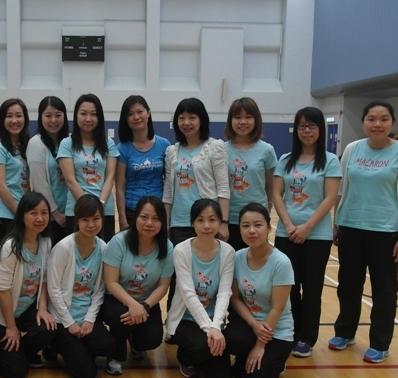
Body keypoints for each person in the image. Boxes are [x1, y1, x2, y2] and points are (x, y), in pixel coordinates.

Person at [330, 101, 398, 363]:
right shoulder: (352, 149)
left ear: (392, 123)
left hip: (386, 233)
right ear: (363, 122)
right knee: (348, 286)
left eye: (383, 119)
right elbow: (341, 190)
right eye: (371, 119)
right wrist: (336, 224)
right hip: (351, 228)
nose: (377, 124)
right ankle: (345, 333)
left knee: (384, 291)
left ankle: (380, 343)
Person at [271, 107, 340, 358]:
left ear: (320, 129)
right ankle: (288, 332)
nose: (307, 131)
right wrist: (289, 225)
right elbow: (276, 194)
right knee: (288, 287)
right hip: (286, 234)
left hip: (316, 237)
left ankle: (306, 337)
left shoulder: (330, 161)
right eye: (302, 126)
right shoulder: (285, 159)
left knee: (311, 289)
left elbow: (330, 197)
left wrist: (307, 226)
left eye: (312, 126)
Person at [163, 98, 229, 306]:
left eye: (192, 117)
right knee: (178, 278)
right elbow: (168, 191)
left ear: (202, 120)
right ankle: (174, 321)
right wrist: (166, 223)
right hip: (179, 224)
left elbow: (223, 187)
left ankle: (211, 318)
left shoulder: (215, 147)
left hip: (207, 223)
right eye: (181, 118)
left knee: (206, 276)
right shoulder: (172, 152)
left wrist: (223, 222)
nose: (186, 122)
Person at [224, 203, 295, 378]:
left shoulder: (281, 262)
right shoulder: (237, 257)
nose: (252, 231)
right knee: (232, 338)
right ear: (240, 230)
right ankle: (245, 357)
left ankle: (275, 360)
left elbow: (277, 309)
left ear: (268, 228)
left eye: (258, 225)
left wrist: (259, 346)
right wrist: (253, 324)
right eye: (246, 226)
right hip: (251, 325)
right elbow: (235, 298)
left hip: (276, 329)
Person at [165, 199, 235, 378]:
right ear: (192, 223)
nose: (206, 226)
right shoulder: (181, 250)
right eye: (200, 220)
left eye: (212, 220)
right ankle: (185, 357)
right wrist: (209, 330)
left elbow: (224, 293)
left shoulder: (228, 252)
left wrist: (216, 326)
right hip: (185, 320)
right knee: (204, 346)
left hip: (213, 322)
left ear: (220, 222)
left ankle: (203, 358)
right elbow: (188, 294)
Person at [100, 196, 173, 375]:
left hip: (146, 301)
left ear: (162, 222)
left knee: (152, 339)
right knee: (122, 318)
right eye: (144, 217)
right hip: (116, 299)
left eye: (156, 219)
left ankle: (136, 342)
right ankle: (115, 356)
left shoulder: (167, 247)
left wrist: (145, 306)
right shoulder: (119, 242)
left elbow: (163, 286)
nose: (149, 223)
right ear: (135, 218)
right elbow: (111, 282)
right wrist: (132, 304)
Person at [48, 195, 115, 378]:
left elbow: (100, 290)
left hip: (85, 316)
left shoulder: (103, 248)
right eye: (85, 219)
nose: (91, 224)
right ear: (77, 220)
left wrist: (89, 320)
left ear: (102, 219)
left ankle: (77, 348)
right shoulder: (63, 248)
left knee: (107, 346)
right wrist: (70, 323)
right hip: (63, 318)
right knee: (86, 374)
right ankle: (54, 344)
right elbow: (53, 289)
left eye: (96, 218)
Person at [0, 192, 56, 378]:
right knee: (15, 373)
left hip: (27, 308)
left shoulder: (45, 242)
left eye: (44, 213)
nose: (40, 218)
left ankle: (25, 352)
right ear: (22, 215)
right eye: (33, 213)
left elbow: (44, 279)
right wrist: (11, 327)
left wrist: (42, 308)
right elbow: (2, 291)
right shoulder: (10, 247)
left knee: (49, 327)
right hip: (5, 313)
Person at [57, 94, 119, 242]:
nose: (88, 119)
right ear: (76, 115)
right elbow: (70, 180)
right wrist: (87, 208)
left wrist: (100, 206)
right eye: (83, 113)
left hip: (104, 210)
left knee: (103, 252)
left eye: (93, 114)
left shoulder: (108, 143)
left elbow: (110, 177)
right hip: (77, 210)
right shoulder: (67, 144)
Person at [224, 97, 277, 250]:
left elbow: (271, 187)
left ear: (256, 120)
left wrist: (267, 208)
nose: (243, 122)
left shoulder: (266, 150)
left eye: (248, 117)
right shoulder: (221, 149)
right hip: (230, 219)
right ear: (230, 120)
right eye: (237, 117)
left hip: (257, 219)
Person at [115, 95, 170, 231]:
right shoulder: (122, 149)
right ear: (125, 119)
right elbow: (120, 187)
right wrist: (122, 219)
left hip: (158, 209)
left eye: (140, 112)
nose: (136, 117)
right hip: (132, 210)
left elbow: (169, 183)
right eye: (130, 114)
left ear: (148, 113)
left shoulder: (164, 145)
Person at [0, 98, 31, 247]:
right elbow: (0, 186)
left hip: (20, 213)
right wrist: (20, 214)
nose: (14, 120)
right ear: (2, 120)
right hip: (2, 215)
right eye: (9, 116)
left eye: (18, 115)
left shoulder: (24, 146)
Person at [27, 96, 69, 246]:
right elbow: (39, 183)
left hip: (71, 213)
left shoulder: (70, 141)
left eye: (58, 115)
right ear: (40, 117)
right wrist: (55, 213)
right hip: (50, 217)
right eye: (48, 115)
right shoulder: (36, 143)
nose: (53, 120)